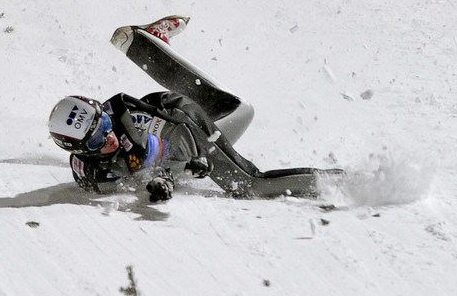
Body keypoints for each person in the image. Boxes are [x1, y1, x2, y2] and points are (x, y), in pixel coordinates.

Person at [48, 16, 342, 202]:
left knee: (248, 185)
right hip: (167, 125)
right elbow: (136, 173)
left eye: (103, 124)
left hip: (175, 117)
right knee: (241, 112)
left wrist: (187, 163)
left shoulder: (129, 123)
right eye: (98, 138)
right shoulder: (89, 174)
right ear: (81, 150)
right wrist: (164, 178)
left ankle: (344, 182)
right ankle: (145, 44)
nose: (108, 135)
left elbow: (177, 138)